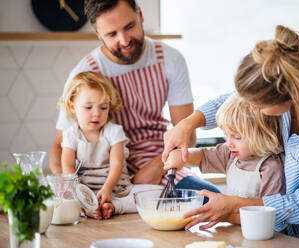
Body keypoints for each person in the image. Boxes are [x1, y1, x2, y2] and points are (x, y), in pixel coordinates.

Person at [162, 25, 299, 247]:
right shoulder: (289, 78)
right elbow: (233, 101)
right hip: (286, 235)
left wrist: (233, 206)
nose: (250, 109)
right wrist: (187, 124)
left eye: (257, 105)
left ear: (290, 97)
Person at [50, 0, 220, 194]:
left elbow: (186, 135)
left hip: (159, 160)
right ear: (98, 34)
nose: (124, 40)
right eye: (112, 34)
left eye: (129, 27)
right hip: (106, 177)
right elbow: (59, 145)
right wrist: (69, 190)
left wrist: (157, 168)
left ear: (140, 16)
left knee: (210, 197)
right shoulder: (86, 73)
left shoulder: (169, 59)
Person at [163, 93, 286, 228]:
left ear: (263, 134)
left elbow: (268, 215)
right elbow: (203, 156)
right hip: (236, 229)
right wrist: (182, 156)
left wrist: (224, 216)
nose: (229, 143)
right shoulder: (230, 154)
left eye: (237, 137)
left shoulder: (271, 167)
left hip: (260, 232)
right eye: (226, 135)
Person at [59, 71, 162, 219]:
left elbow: (116, 164)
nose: (96, 114)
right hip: (84, 190)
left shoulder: (114, 131)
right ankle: (90, 208)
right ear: (73, 106)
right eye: (88, 107)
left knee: (160, 192)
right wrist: (81, 193)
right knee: (54, 193)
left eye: (103, 107)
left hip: (117, 189)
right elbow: (67, 168)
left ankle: (115, 206)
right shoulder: (71, 135)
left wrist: (107, 189)